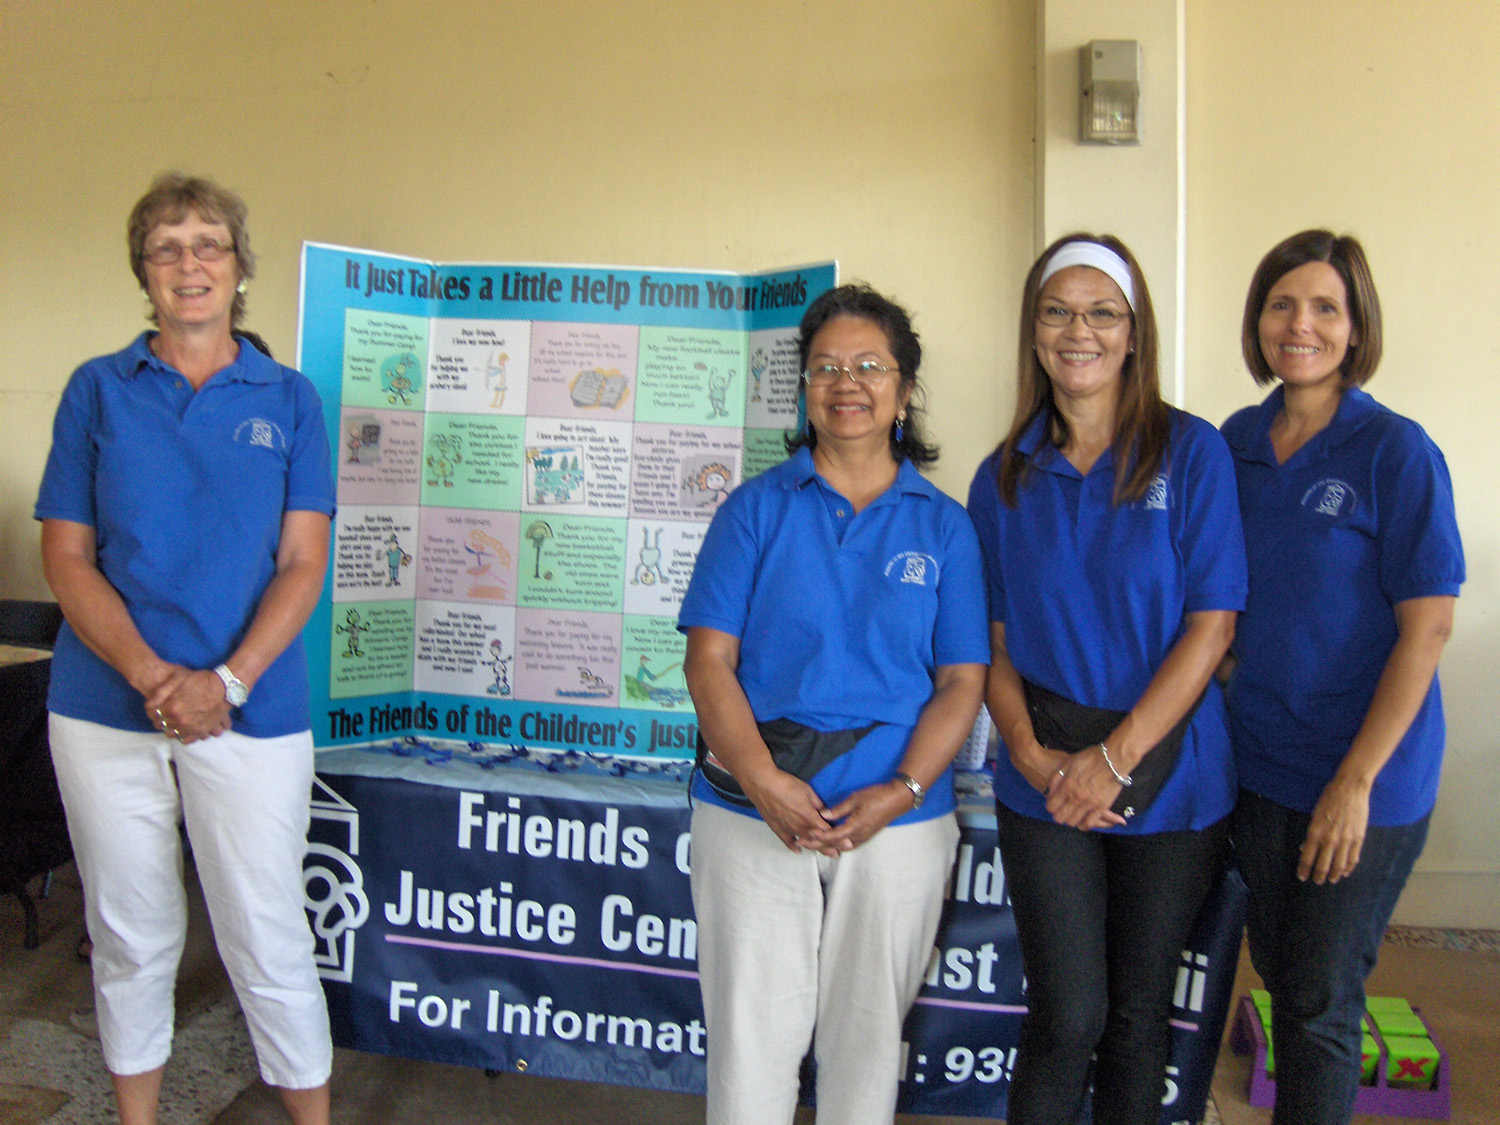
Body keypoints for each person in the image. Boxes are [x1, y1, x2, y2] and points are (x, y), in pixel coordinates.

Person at [35, 173, 335, 1125]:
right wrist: (153, 677)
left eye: (208, 244)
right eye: (166, 247)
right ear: (144, 272)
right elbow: (68, 556)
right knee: (129, 931)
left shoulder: (289, 398)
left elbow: (301, 562)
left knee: (268, 934)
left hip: (254, 711)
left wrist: (228, 681)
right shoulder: (97, 388)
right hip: (104, 708)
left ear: (240, 268)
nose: (189, 263)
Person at [679, 284, 989, 1125]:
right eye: (824, 367)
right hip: (753, 810)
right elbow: (708, 661)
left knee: (864, 1044)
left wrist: (905, 789)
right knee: (751, 1044)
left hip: (896, 818)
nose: (845, 382)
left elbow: (964, 681)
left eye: (868, 366)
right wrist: (763, 780)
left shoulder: (945, 527)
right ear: (804, 387)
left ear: (905, 388)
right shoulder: (753, 510)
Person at [966, 235, 1246, 1125]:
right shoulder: (1003, 474)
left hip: (1170, 775)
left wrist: (1115, 761)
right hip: (1042, 769)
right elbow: (992, 642)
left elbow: (1213, 626)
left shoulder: (1192, 454)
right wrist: (1030, 752)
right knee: (1067, 1012)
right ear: (1033, 330)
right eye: (1057, 310)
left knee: (1134, 1018)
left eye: (1102, 312)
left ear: (1133, 333)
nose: (1078, 330)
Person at [1222, 230, 1463, 1125]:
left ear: (1357, 326)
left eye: (1326, 306)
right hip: (1260, 763)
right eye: (1282, 303)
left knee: (1322, 1001)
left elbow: (1428, 625)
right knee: (1282, 975)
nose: (1301, 324)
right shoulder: (1236, 443)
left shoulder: (1394, 452)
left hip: (1366, 775)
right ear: (1258, 320)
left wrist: (1354, 782)